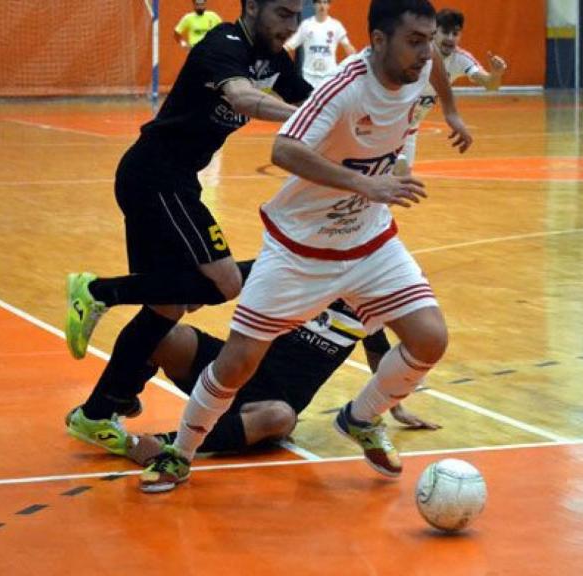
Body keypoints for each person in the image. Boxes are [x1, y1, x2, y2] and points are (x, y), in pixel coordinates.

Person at [138, 0, 473, 493]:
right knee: (237, 362)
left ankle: (361, 419)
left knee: (430, 338)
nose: (427, 54)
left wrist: (453, 112)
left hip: (369, 240)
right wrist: (367, 185)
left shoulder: (421, 65)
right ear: (378, 41)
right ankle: (179, 453)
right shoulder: (343, 88)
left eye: (429, 41)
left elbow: (439, 68)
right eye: (415, 42)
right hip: (300, 248)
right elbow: (284, 150)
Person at [63, 0, 313, 456]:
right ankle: (100, 291)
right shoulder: (222, 44)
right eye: (282, 13)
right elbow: (242, 98)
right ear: (252, 7)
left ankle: (98, 413)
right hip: (158, 176)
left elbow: (313, 98)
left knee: (166, 307)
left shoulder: (276, 59)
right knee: (224, 281)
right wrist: (302, 119)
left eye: (297, 16)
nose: (290, 27)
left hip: (168, 181)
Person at [121, 299, 441, 466]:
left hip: (269, 403)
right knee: (164, 336)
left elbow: (379, 356)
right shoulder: (302, 279)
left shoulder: (368, 308)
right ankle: (114, 403)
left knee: (280, 418)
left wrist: (394, 408)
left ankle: (161, 445)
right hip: (233, 369)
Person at [404, 8, 508, 164]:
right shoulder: (414, 53)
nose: (450, 38)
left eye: (455, 33)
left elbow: (490, 85)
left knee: (401, 179)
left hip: (409, 131)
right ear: (434, 32)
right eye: (445, 32)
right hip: (385, 126)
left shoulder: (460, 59)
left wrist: (496, 74)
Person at [284, 0, 357, 89]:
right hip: (309, 77)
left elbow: (348, 48)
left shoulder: (335, 25)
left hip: (329, 77)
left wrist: (353, 65)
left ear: (329, 6)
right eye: (319, 3)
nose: (322, 6)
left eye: (325, 2)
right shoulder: (306, 25)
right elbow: (290, 45)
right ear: (314, 5)